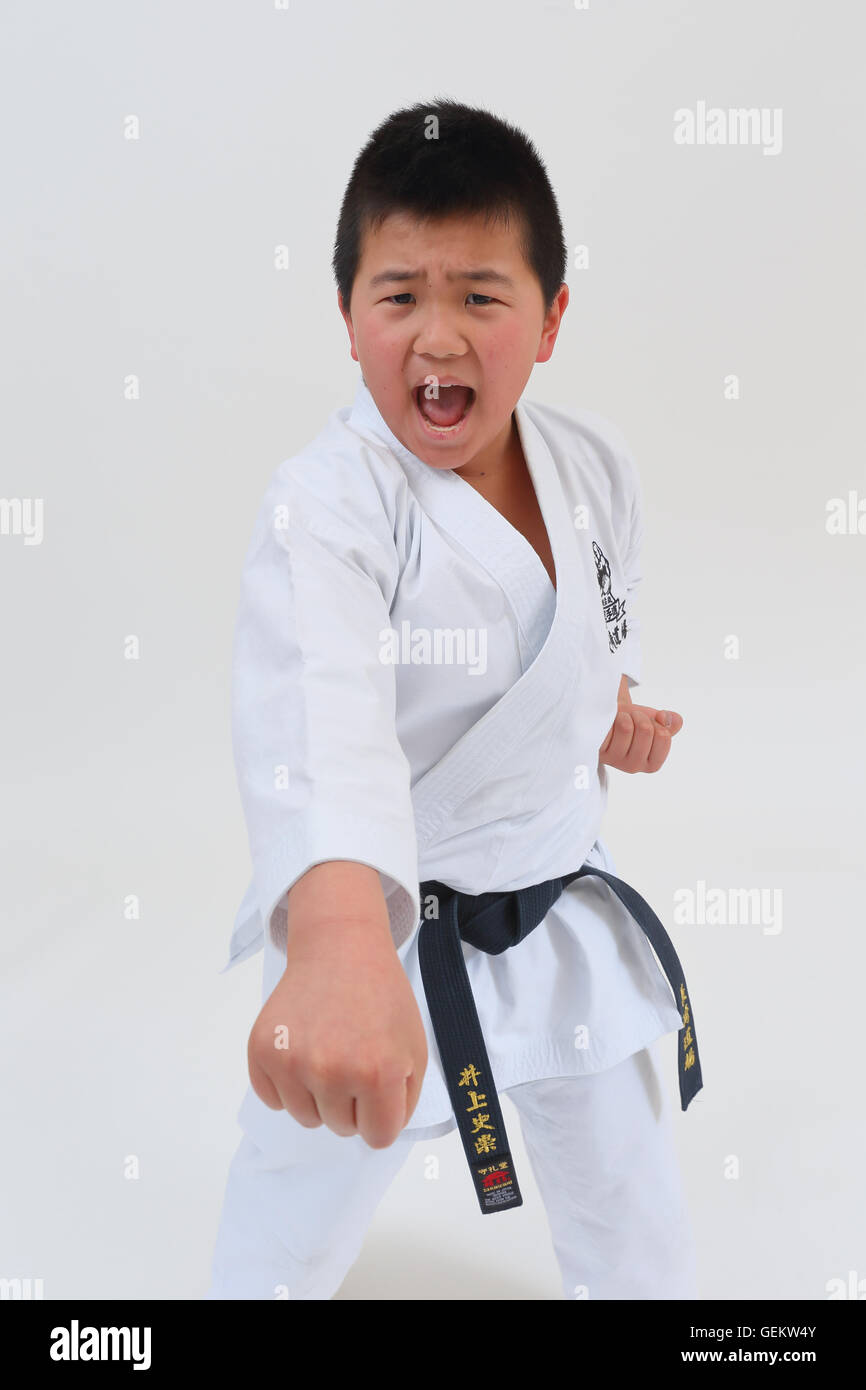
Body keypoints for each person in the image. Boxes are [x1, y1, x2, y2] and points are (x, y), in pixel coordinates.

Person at [204, 99, 700, 1301]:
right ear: (345, 315)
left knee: (634, 1220)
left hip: (559, 908)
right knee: (286, 1224)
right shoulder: (324, 505)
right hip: (387, 933)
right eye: (398, 295)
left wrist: (607, 703)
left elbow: (577, 626)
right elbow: (319, 716)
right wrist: (329, 945)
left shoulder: (591, 466)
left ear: (550, 318)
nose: (437, 334)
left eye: (479, 295)